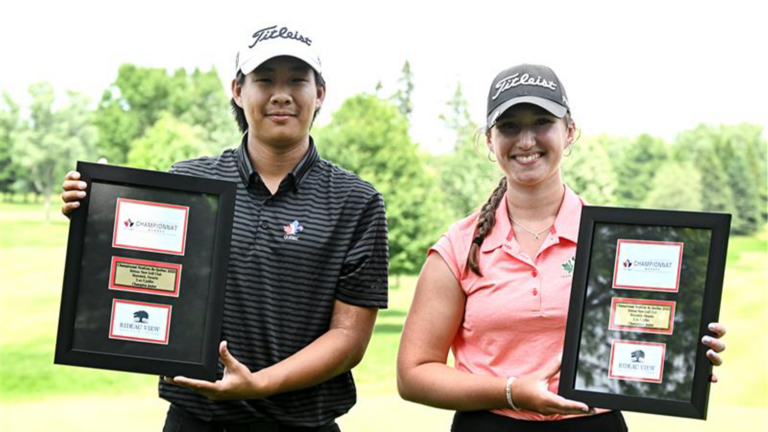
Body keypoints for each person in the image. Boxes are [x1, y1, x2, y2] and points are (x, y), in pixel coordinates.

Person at [61, 24, 388, 431]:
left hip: (305, 425)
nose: (281, 94)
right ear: (237, 90)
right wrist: (98, 208)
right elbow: (139, 272)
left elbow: (348, 339)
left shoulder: (357, 201)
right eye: (264, 80)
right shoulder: (190, 185)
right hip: (196, 420)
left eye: (297, 80)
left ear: (320, 93)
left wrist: (259, 384)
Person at [396, 64, 727, 431]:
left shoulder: (613, 240)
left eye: (541, 122)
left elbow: (646, 331)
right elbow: (414, 374)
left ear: (569, 132)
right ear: (490, 140)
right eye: (509, 126)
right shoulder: (460, 247)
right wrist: (511, 391)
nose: (525, 141)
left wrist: (684, 358)